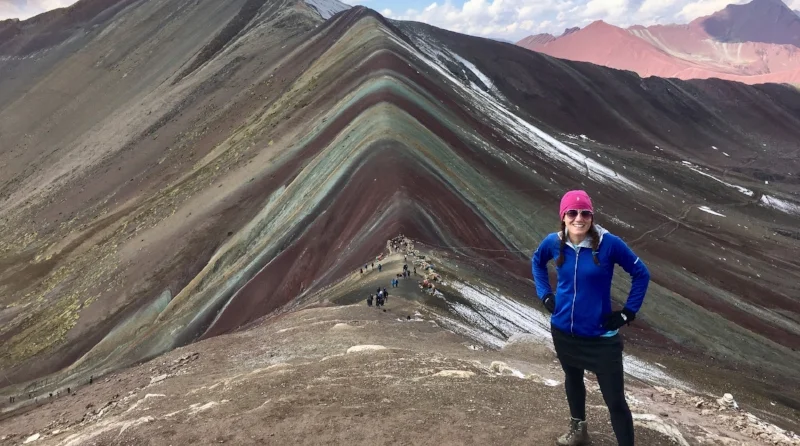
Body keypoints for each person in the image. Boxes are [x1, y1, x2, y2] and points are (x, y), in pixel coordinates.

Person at [531, 190, 650, 446]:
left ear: (592, 217)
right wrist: (545, 295)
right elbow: (537, 262)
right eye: (572, 213)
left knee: (615, 400)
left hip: (600, 338)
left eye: (585, 213)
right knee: (572, 380)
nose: (579, 218)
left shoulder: (610, 244)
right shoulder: (553, 242)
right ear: (563, 217)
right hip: (563, 331)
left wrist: (628, 312)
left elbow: (641, 273)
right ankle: (579, 431)